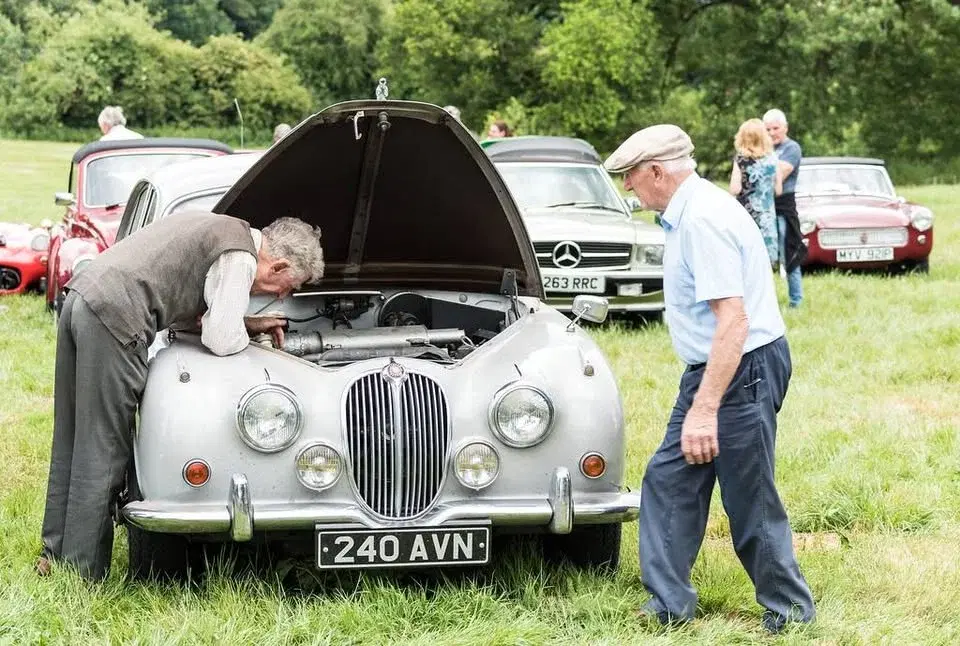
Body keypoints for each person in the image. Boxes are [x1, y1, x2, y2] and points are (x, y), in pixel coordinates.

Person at [603, 124, 815, 633]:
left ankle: (791, 611)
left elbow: (734, 321)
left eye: (631, 177)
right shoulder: (690, 212)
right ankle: (669, 603)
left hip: (741, 368)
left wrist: (704, 408)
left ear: (656, 171)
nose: (629, 188)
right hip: (717, 368)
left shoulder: (702, 221)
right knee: (671, 479)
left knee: (748, 495)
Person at [36, 211, 325, 581]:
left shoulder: (223, 231)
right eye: (288, 285)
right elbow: (220, 339)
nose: (283, 295)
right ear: (279, 264)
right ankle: (81, 571)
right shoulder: (241, 257)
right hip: (116, 317)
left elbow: (192, 314)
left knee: (73, 433)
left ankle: (55, 551)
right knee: (106, 445)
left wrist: (249, 325)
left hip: (84, 299)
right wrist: (260, 348)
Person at [763, 108, 805, 307]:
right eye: (767, 129)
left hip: (784, 207)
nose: (771, 133)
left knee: (790, 254)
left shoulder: (792, 148)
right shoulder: (762, 149)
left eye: (775, 128)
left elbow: (780, 174)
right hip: (763, 209)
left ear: (785, 128)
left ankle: (795, 301)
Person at [729, 118, 782, 269]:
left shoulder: (740, 159)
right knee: (765, 265)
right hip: (767, 218)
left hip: (746, 215)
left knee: (745, 263)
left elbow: (735, 189)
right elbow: (778, 190)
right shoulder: (773, 159)